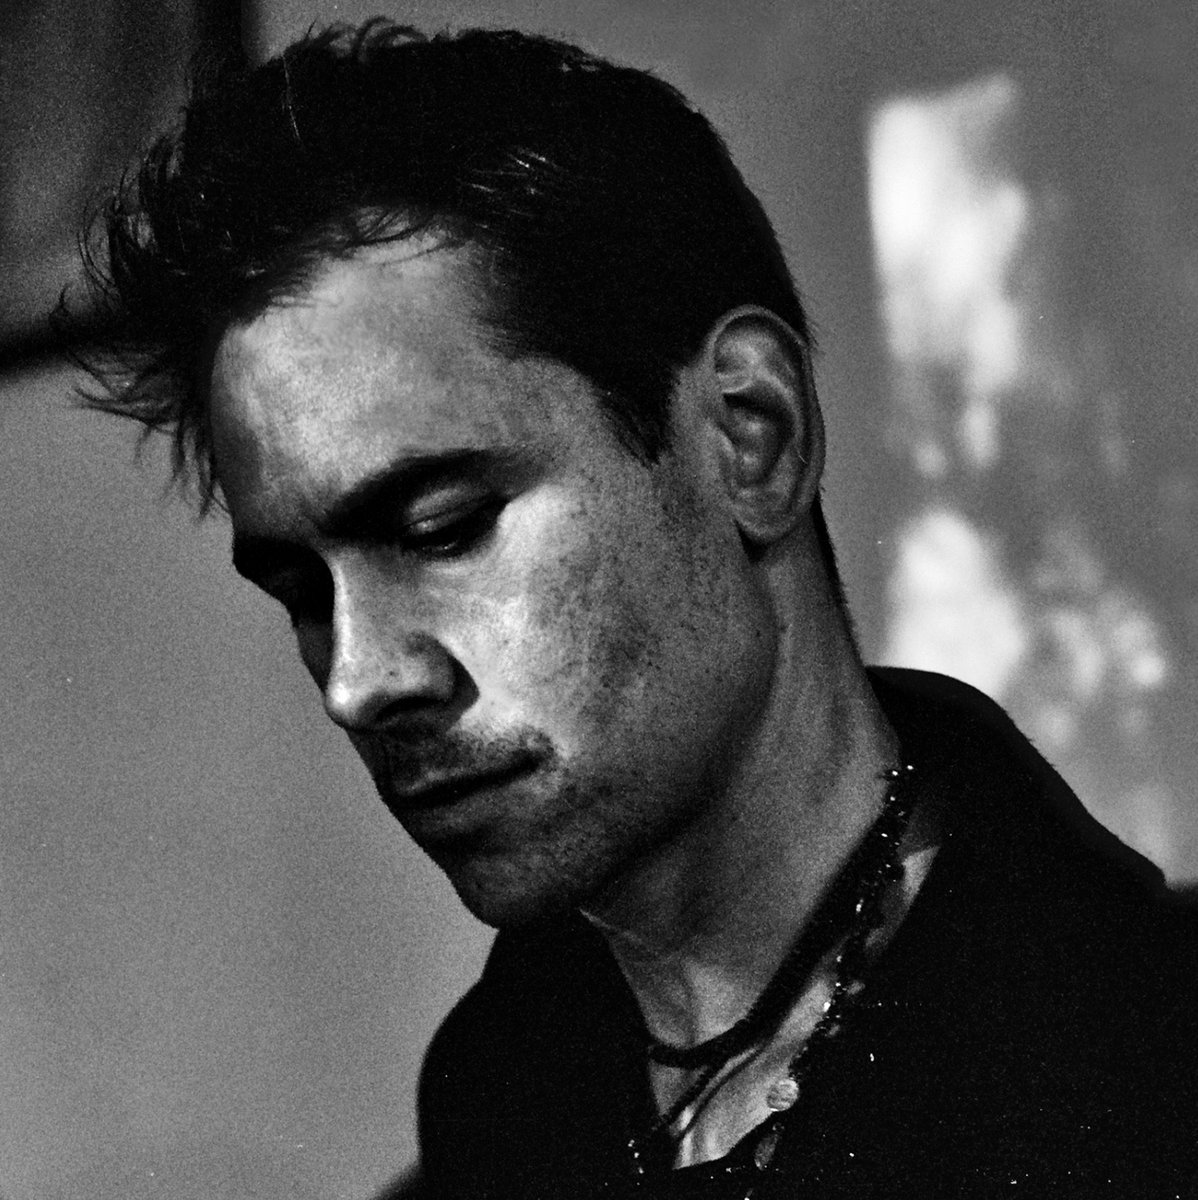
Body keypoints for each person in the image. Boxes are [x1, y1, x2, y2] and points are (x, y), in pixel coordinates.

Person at [67, 20, 1196, 1199]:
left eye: (445, 527)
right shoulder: (497, 1102)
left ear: (749, 438)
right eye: (301, 591)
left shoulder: (1135, 1062)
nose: (358, 681)